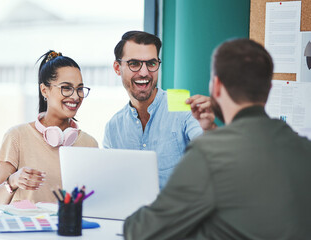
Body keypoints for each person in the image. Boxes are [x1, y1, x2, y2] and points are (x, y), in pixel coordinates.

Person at [123, 39, 311, 239]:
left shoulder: (209, 152)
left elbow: (142, 231)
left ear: (217, 86)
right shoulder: (304, 148)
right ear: (269, 88)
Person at [103, 31, 216, 188]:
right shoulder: (113, 127)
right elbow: (109, 183)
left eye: (151, 63)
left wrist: (209, 128)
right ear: (117, 67)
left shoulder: (183, 106)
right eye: (134, 64)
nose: (144, 72)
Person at [0, 51, 98, 208]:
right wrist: (13, 181)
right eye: (66, 88)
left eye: (80, 89)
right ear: (44, 90)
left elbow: (94, 203)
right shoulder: (17, 136)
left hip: (67, 230)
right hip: (28, 231)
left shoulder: (89, 144)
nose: (76, 96)